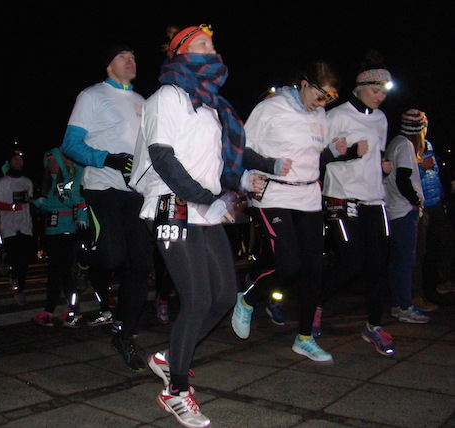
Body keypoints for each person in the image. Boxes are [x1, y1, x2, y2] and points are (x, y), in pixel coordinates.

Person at [129, 24, 265, 428]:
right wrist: (206, 198)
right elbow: (163, 158)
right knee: (198, 299)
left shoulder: (210, 105)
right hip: (172, 203)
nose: (212, 49)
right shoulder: (167, 96)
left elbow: (215, 163)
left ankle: (170, 357)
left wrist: (242, 181)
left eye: (213, 44)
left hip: (204, 207)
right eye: (202, 44)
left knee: (223, 296)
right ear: (181, 53)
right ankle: (175, 391)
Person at [230, 61, 344, 363]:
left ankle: (304, 338)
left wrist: (335, 152)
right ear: (304, 84)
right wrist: (271, 164)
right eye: (320, 96)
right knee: (289, 264)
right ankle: (249, 299)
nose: (322, 104)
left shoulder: (320, 115)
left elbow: (314, 157)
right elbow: (241, 151)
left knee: (314, 269)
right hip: (274, 193)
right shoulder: (271, 108)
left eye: (329, 99)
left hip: (308, 196)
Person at [61, 43, 154, 371]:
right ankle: (85, 257)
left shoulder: (144, 101)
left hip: (136, 192)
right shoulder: (92, 96)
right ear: (108, 65)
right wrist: (108, 159)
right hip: (102, 187)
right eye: (122, 57)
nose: (131, 61)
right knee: (112, 256)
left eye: (133, 56)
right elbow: (70, 145)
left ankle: (124, 333)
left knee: (141, 265)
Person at [314, 51, 396, 356]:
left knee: (378, 265)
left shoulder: (381, 119)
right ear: (360, 88)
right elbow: (316, 158)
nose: (380, 97)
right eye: (375, 90)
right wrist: (349, 153)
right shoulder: (336, 116)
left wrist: (382, 166)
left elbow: (375, 155)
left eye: (384, 92)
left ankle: (374, 326)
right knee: (353, 263)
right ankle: (314, 304)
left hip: (374, 200)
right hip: (342, 197)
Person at [31, 148, 87, 327]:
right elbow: (49, 205)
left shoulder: (68, 181)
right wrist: (42, 203)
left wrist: (43, 202)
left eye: (54, 160)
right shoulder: (48, 183)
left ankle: (65, 310)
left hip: (66, 232)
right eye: (48, 161)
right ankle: (65, 310)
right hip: (52, 233)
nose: (51, 164)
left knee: (64, 273)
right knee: (57, 273)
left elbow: (69, 201)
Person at [384, 109, 430, 323]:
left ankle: (398, 304)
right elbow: (403, 178)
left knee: (398, 260)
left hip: (395, 208)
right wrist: (415, 200)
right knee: (404, 261)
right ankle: (404, 306)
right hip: (403, 209)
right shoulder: (405, 145)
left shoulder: (395, 142)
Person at [413, 120, 455, 299]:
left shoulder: (428, 144)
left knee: (447, 238)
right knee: (419, 249)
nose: (425, 129)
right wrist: (422, 167)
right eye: (422, 126)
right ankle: (417, 292)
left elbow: (435, 170)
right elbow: (405, 176)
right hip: (419, 204)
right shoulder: (406, 146)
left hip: (435, 202)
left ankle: (442, 281)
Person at [0, 147, 34, 306]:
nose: (18, 162)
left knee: (24, 261)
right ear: (9, 162)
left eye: (20, 159)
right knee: (14, 257)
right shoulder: (1, 183)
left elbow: (30, 200)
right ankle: (5, 258)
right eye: (15, 159)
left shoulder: (27, 182)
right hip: (9, 225)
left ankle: (20, 289)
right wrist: (12, 207)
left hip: (25, 225)